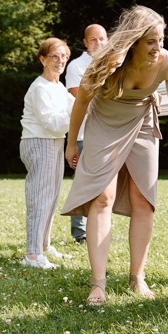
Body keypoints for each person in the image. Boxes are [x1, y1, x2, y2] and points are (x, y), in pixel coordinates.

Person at [60, 5, 168, 305]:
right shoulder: (106, 62)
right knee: (102, 198)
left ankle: (137, 276)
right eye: (151, 41)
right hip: (104, 123)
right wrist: (72, 143)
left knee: (144, 201)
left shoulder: (167, 62)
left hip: (142, 123)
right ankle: (98, 283)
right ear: (135, 40)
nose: (158, 47)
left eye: (161, 40)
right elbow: (81, 103)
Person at [19, 38, 75, 269]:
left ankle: (43, 245)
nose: (60, 61)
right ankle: (32, 256)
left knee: (51, 197)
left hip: (54, 143)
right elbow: (52, 124)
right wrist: (77, 114)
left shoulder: (58, 87)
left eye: (63, 57)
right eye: (55, 56)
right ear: (42, 59)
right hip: (38, 142)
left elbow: (78, 106)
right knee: (39, 198)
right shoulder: (39, 87)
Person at [65, 24, 109, 244]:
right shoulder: (76, 66)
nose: (98, 43)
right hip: (85, 133)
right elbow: (80, 99)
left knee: (105, 187)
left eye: (102, 38)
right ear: (85, 42)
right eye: (93, 39)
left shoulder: (114, 63)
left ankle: (99, 230)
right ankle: (79, 233)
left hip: (110, 134)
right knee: (83, 183)